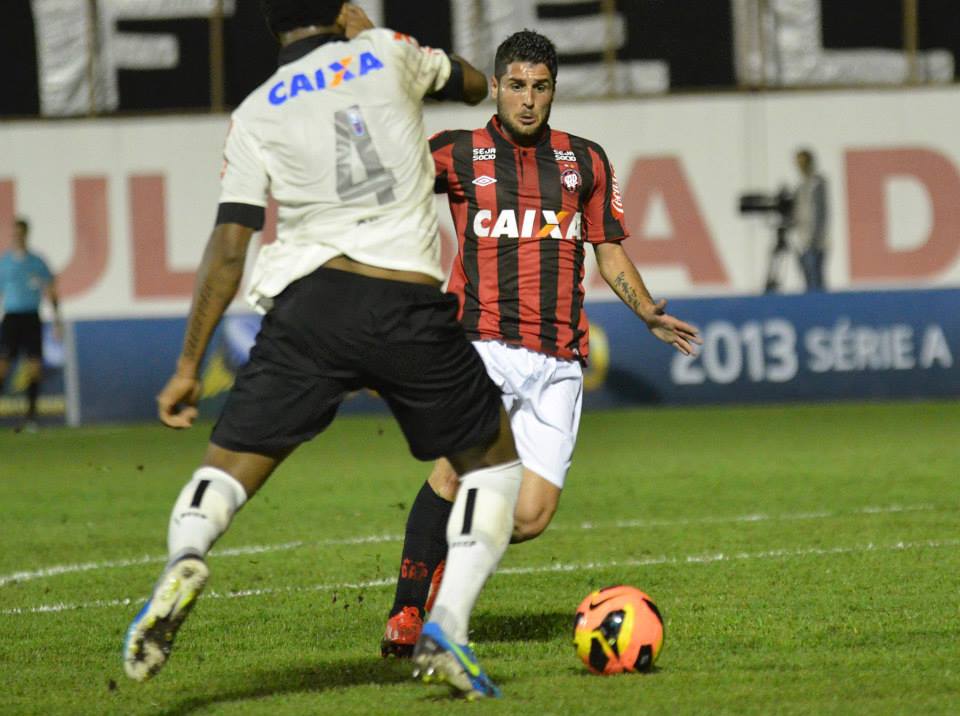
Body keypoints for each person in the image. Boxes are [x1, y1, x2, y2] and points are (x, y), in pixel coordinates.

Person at [123, 1, 525, 700]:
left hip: (309, 307)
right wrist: (374, 39)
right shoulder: (389, 51)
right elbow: (471, 83)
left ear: (272, 25)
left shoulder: (254, 112)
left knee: (230, 468)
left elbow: (229, 247)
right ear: (340, 10)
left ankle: (186, 555)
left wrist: (189, 365)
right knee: (492, 464)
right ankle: (448, 625)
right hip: (404, 300)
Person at [380, 30, 701, 657]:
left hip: (558, 360)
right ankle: (407, 614)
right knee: (456, 473)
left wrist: (645, 313)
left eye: (541, 87)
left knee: (527, 516)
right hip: (482, 345)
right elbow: (391, 190)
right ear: (495, 87)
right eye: (517, 86)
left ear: (554, 91)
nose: (528, 100)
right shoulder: (456, 151)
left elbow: (608, 250)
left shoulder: (587, 160)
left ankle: (443, 568)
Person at [0, 218, 62, 431]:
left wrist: (57, 320)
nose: (17, 236)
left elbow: (51, 290)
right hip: (11, 318)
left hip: (31, 317)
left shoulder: (37, 262)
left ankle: (31, 418)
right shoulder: (4, 262)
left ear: (26, 234)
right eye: (15, 233)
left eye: (21, 233)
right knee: (3, 366)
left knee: (34, 367)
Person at [791, 148, 828, 291]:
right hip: (802, 239)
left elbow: (820, 213)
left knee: (815, 280)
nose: (801, 167)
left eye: (804, 162)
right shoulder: (800, 186)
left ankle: (820, 309)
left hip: (814, 241)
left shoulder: (817, 183)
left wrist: (814, 238)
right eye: (799, 163)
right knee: (807, 279)